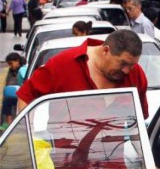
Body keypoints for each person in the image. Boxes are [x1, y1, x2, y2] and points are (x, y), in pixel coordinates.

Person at [17, 29, 149, 119]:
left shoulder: (135, 74)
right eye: (123, 63)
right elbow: (26, 95)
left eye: (132, 65)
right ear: (105, 50)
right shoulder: (62, 65)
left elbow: (138, 122)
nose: (126, 70)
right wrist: (28, 139)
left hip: (114, 158)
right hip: (64, 157)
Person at [1, 53, 25, 127]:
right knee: (7, 101)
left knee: (9, 100)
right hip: (19, 91)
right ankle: (8, 122)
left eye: (11, 63)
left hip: (24, 93)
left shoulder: (22, 70)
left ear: (17, 61)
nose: (10, 66)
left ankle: (10, 123)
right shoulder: (14, 70)